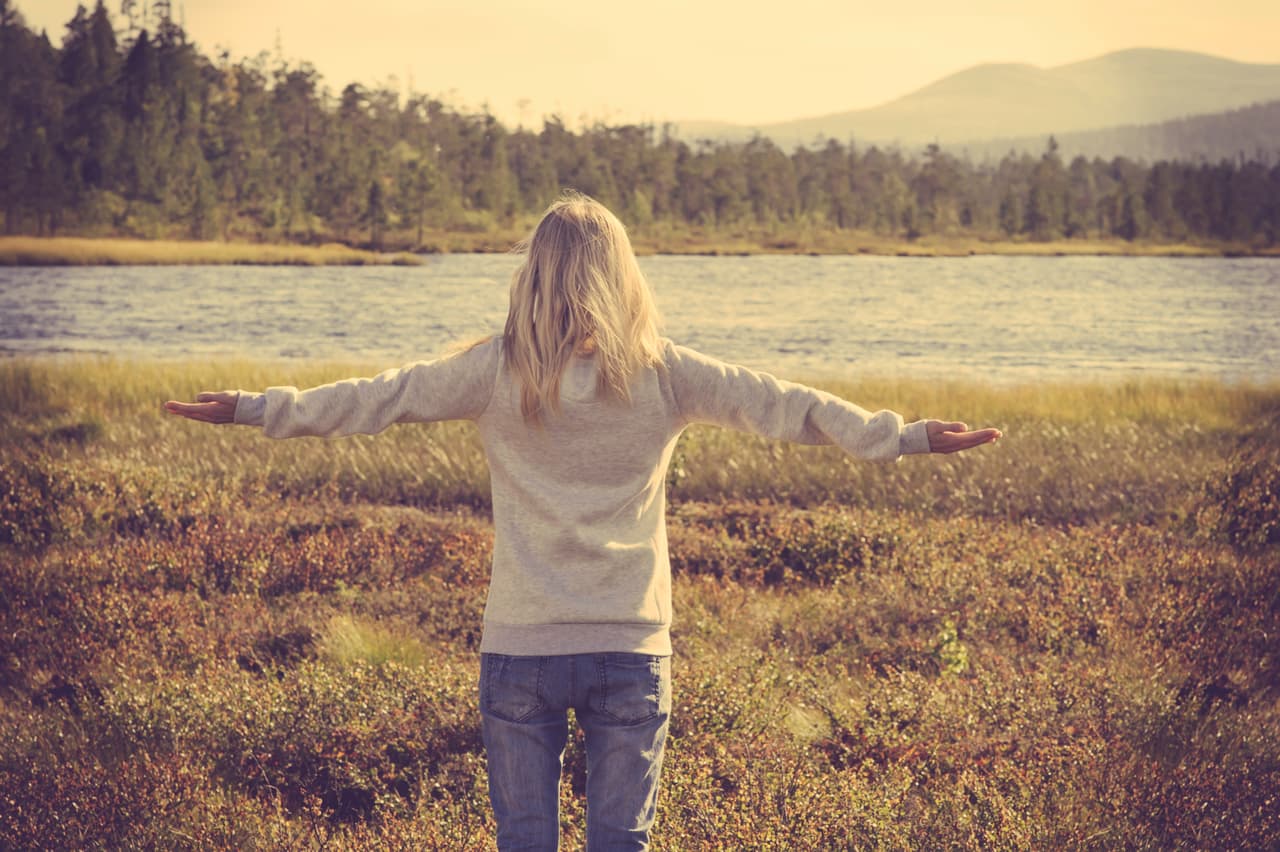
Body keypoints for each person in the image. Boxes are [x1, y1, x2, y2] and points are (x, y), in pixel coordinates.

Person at [165, 192, 1000, 850]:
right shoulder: (665, 373)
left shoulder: (492, 370)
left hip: (521, 652)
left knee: (523, 845)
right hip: (631, 650)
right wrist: (906, 438)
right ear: (625, 275)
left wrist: (254, 407)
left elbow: (371, 401)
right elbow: (791, 407)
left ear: (533, 272)